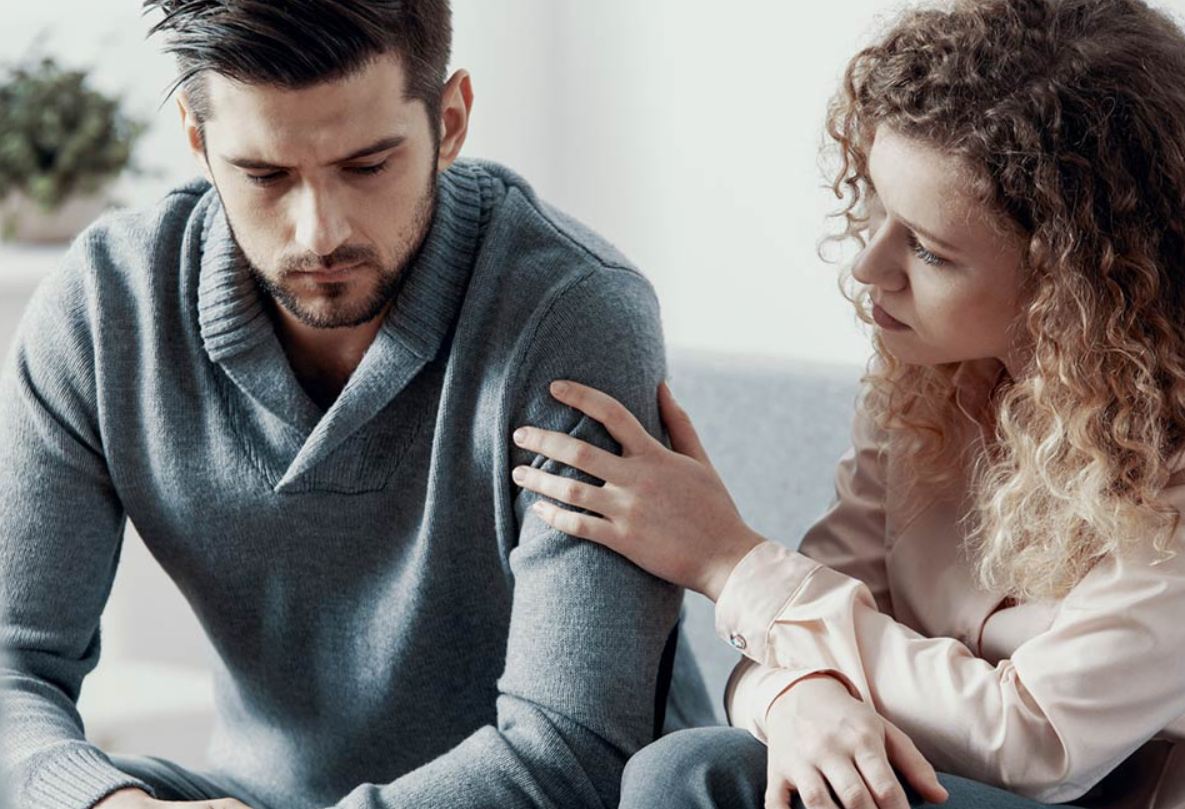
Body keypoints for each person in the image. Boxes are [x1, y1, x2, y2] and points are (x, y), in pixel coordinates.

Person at [0, 2, 715, 808]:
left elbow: (573, 751)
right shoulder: (105, 306)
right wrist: (106, 802)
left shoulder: (571, 312)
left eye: (367, 166)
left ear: (450, 120)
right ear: (197, 141)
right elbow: (13, 665)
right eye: (265, 176)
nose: (318, 233)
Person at [511, 0, 1185, 806]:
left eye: (927, 249)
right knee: (694, 766)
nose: (868, 265)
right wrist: (797, 700)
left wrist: (728, 560)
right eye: (876, 207)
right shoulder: (924, 392)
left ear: (1070, 284)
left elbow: (1034, 741)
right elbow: (780, 637)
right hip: (940, 775)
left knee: (695, 775)